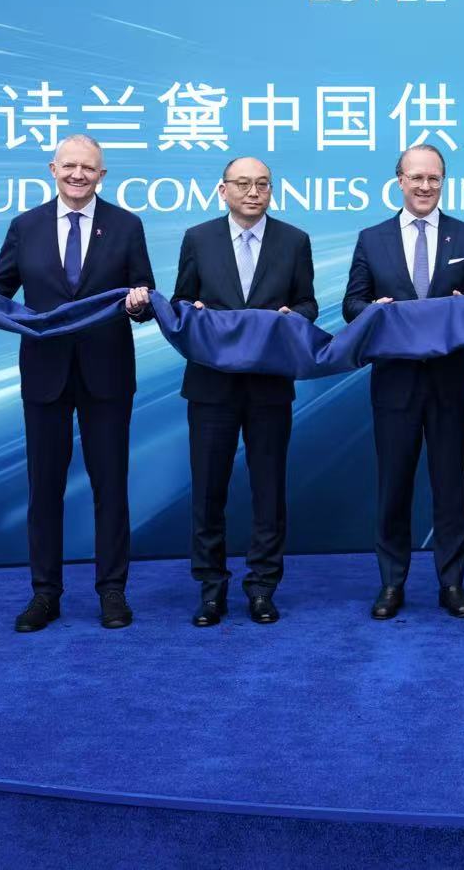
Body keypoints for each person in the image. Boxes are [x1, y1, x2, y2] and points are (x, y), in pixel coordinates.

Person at [0, 134, 154, 633]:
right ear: (53, 169)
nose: (78, 175)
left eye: (88, 168)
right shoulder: (26, 226)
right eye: (69, 166)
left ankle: (112, 591)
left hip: (108, 374)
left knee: (111, 488)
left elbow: (143, 292)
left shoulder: (126, 225)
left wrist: (140, 304)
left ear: (102, 175)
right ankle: (45, 594)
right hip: (45, 375)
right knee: (44, 489)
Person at [341, 143, 464, 621]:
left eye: (433, 178)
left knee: (450, 487)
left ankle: (452, 584)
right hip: (395, 383)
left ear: (442, 182)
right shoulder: (373, 239)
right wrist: (374, 312)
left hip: (450, 383)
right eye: (416, 178)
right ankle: (392, 583)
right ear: (400, 181)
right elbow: (351, 305)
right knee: (394, 487)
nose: (425, 186)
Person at [171, 156, 318, 628]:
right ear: (223, 190)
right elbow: (180, 300)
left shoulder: (294, 240)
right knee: (207, 492)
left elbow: (309, 303)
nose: (253, 192)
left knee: (268, 491)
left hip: (269, 384)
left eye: (263, 184)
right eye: (243, 184)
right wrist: (191, 311)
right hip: (211, 385)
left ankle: (262, 588)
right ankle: (211, 590)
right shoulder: (198, 238)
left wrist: (294, 316)